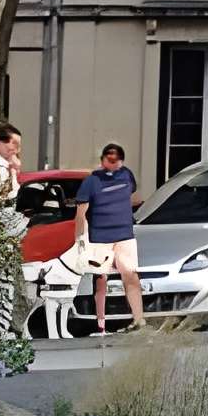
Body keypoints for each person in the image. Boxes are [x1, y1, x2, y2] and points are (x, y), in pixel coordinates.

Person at [78, 143, 146, 334]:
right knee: (101, 279)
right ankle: (101, 325)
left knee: (131, 275)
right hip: (100, 238)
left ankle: (139, 319)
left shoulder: (127, 175)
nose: (113, 163)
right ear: (102, 160)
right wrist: (81, 238)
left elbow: (132, 195)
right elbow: (81, 211)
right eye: (109, 159)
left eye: (116, 160)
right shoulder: (92, 181)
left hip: (125, 236)